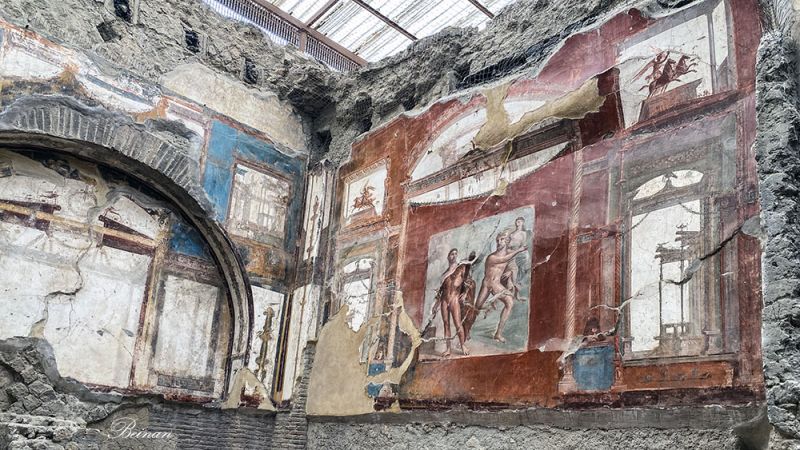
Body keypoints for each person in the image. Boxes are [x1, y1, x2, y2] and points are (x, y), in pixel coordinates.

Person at [474, 232, 528, 343]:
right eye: (498, 240)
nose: (499, 242)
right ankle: (467, 329)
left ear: (507, 241)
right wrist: (519, 250)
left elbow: (513, 266)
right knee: (477, 307)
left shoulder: (509, 255)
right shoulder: (491, 257)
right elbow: (503, 260)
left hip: (496, 284)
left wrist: (510, 273)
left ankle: (498, 333)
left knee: (509, 303)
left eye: (502, 239)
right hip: (487, 284)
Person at [432, 248, 476, 357]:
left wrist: (465, 293)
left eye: (456, 254)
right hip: (444, 300)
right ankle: (448, 349)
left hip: (454, 300)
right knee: (446, 324)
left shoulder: (461, 268)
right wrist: (436, 305)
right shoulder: (445, 274)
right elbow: (441, 291)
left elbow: (469, 282)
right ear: (448, 257)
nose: (454, 256)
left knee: (457, 324)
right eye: (452, 254)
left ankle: (463, 345)